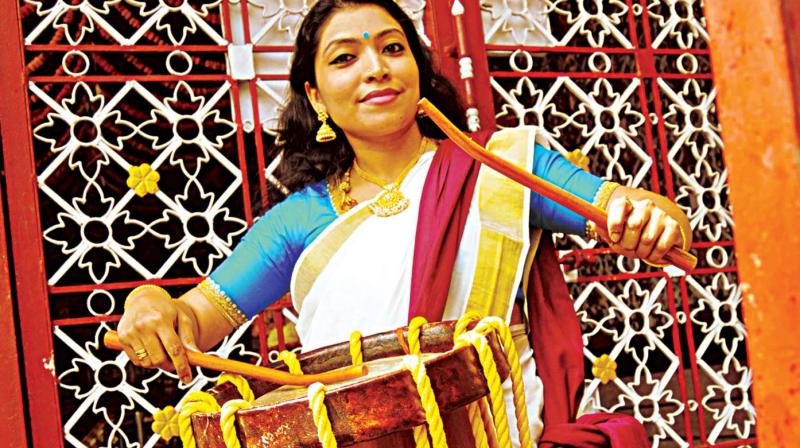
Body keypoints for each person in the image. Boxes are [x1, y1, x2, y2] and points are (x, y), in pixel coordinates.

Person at [118, 1, 690, 446]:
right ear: (315, 97)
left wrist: (652, 220)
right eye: (345, 58)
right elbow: (192, 320)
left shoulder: (502, 166)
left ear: (416, 66)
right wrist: (148, 303)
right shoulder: (299, 220)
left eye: (393, 48)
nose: (376, 68)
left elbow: (632, 211)